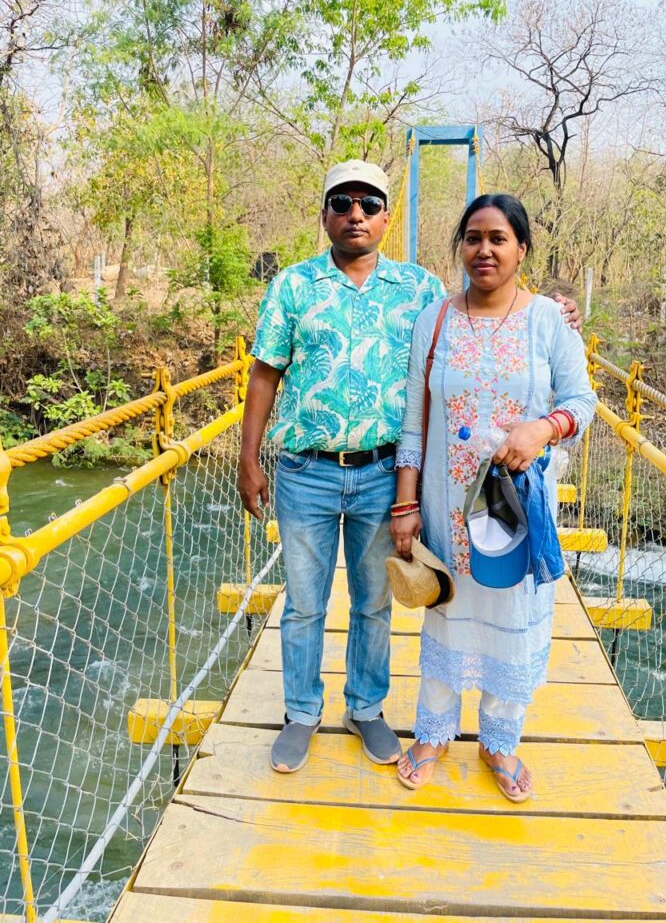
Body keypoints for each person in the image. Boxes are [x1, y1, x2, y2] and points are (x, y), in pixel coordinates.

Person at [238, 161, 582, 775]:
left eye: (369, 204)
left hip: (382, 472)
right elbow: (264, 371)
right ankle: (300, 714)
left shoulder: (419, 290)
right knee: (304, 604)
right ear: (325, 214)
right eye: (342, 203)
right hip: (307, 472)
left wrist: (557, 313)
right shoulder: (292, 286)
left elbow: (489, 303)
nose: (356, 214)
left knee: (374, 602)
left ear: (387, 218)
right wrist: (247, 459)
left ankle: (366, 708)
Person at [390, 193, 597, 800]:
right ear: (461, 247)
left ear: (521, 249)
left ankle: (500, 741)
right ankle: (433, 732)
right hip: (446, 504)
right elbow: (412, 421)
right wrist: (405, 506)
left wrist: (543, 428)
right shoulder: (434, 320)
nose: (485, 249)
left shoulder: (548, 322)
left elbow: (582, 401)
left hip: (519, 508)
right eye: (474, 237)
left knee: (512, 611)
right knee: (448, 611)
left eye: (499, 238)